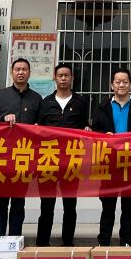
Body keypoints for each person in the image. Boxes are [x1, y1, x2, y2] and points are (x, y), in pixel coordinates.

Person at [91, 67, 131, 246]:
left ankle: (126, 242)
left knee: (128, 207)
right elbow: (94, 132)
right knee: (108, 206)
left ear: (130, 84)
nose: (121, 85)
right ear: (111, 85)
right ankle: (104, 241)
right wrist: (103, 135)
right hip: (109, 163)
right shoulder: (102, 107)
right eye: (118, 82)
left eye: (125, 82)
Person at [0, 57, 43, 236]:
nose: (20, 72)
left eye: (24, 69)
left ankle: (14, 239)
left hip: (24, 157)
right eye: (17, 69)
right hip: (2, 157)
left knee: (19, 202)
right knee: (1, 202)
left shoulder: (36, 99)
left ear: (29, 73)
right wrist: (2, 119)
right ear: (12, 73)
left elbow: (42, 126)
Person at [36, 63, 90, 246]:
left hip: (71, 160)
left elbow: (84, 125)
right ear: (55, 78)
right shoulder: (46, 102)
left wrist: (87, 129)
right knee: (47, 205)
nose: (63, 78)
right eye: (60, 75)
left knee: (70, 205)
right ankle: (42, 242)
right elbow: (38, 129)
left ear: (72, 78)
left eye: (67, 75)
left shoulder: (80, 102)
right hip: (48, 160)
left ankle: (68, 242)